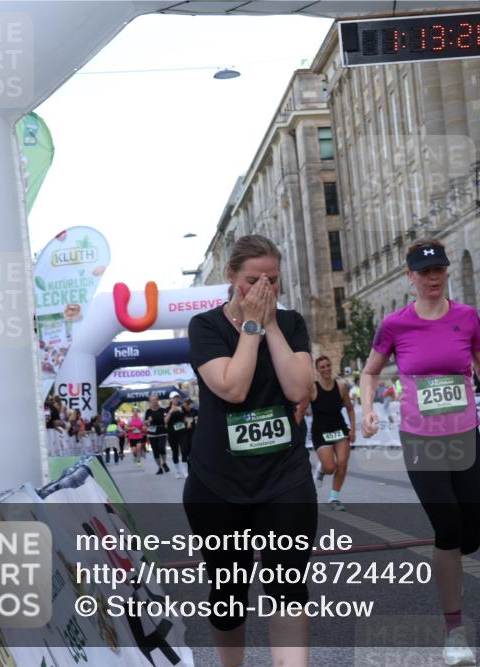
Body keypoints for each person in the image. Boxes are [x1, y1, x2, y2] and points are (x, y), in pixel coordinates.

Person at [360, 238, 480, 666]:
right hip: (420, 438)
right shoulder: (395, 325)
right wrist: (367, 411)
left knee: (469, 537)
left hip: (464, 434)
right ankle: (454, 629)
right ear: (411, 278)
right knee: (446, 528)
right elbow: (370, 372)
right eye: (424, 272)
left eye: (438, 270)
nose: (433, 278)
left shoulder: (467, 317)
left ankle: (452, 572)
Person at [185, 234, 316, 665]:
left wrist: (273, 324)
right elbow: (233, 387)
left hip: (284, 476)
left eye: (273, 280)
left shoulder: (292, 322)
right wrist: (252, 327)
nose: (263, 289)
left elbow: (300, 388)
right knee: (229, 591)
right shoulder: (205, 327)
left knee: (288, 587)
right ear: (229, 277)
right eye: (251, 280)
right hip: (218, 482)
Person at [310, 356, 356, 509]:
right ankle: (322, 469)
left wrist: (353, 429)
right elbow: (301, 408)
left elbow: (350, 409)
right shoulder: (313, 388)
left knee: (342, 464)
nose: (326, 369)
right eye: (322, 367)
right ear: (318, 370)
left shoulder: (341, 387)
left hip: (339, 429)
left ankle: (334, 498)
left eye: (328, 365)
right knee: (331, 467)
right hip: (321, 431)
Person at [165, 392, 189, 478]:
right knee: (175, 452)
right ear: (171, 399)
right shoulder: (167, 409)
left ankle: (185, 471)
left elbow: (186, 416)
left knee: (184, 450)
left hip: (182, 432)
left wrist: (187, 421)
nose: (176, 399)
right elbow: (165, 421)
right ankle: (177, 471)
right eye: (174, 398)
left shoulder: (182, 407)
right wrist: (170, 412)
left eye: (177, 398)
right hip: (172, 433)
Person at [143, 394, 169, 475]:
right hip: (152, 433)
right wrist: (148, 421)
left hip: (162, 431)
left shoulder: (163, 410)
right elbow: (145, 422)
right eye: (152, 400)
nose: (154, 401)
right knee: (155, 451)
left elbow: (166, 420)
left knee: (161, 448)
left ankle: (164, 463)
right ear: (150, 402)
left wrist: (166, 419)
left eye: (155, 399)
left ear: (158, 400)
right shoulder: (148, 411)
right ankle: (160, 468)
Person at [182, 397, 197, 470]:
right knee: (185, 450)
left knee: (193, 449)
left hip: (194, 433)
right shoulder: (182, 412)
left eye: (187, 405)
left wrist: (196, 420)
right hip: (184, 434)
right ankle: (188, 467)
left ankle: (194, 466)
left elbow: (197, 419)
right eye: (184, 405)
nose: (185, 406)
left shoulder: (195, 411)